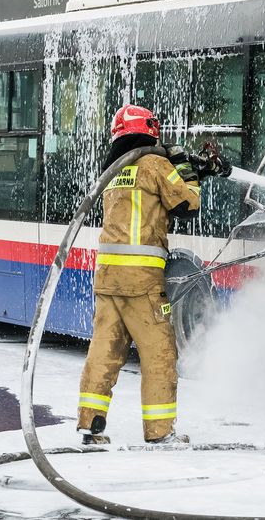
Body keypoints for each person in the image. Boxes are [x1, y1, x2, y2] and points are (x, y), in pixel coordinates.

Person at [76, 104, 228, 445]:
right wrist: (187, 171)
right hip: (141, 281)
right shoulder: (154, 165)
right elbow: (187, 204)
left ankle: (90, 425)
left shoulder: (115, 170)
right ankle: (160, 432)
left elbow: (153, 197)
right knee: (160, 353)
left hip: (108, 279)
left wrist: (191, 169)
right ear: (150, 130)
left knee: (104, 352)